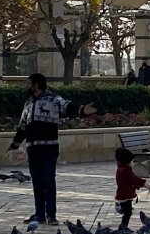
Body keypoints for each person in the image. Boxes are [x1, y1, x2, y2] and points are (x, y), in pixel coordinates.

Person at [8, 73, 97, 225]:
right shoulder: (28, 103)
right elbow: (23, 127)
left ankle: (51, 215)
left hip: (49, 148)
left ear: (36, 85)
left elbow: (67, 106)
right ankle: (39, 215)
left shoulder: (53, 99)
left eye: (29, 83)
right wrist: (15, 145)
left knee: (48, 181)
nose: (26, 86)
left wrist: (82, 110)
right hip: (33, 149)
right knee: (37, 182)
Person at [114, 148, 150, 230]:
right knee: (128, 213)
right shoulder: (125, 171)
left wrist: (134, 186)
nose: (133, 163)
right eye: (132, 161)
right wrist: (147, 184)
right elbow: (135, 179)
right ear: (127, 162)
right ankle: (122, 228)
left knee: (127, 212)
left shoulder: (122, 169)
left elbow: (129, 181)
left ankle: (123, 227)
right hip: (124, 196)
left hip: (124, 195)